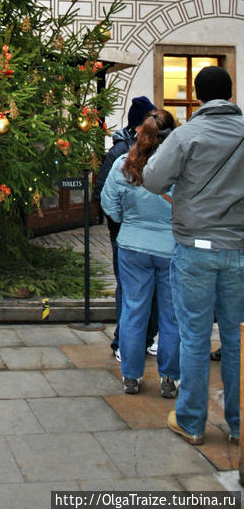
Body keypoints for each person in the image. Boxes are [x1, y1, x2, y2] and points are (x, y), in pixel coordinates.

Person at [143, 66, 244, 446]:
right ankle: (238, 424)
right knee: (235, 340)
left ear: (198, 96)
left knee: (196, 337)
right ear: (230, 94)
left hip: (195, 249)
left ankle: (191, 422)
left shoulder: (187, 135)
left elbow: (153, 179)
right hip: (238, 249)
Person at [101, 109, 179, 396]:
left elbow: (109, 204)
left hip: (132, 244)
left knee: (134, 310)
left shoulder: (124, 164)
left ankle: (131, 376)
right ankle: (169, 377)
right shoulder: (180, 168)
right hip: (171, 246)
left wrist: (128, 222)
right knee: (172, 314)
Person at [93, 96, 158, 361]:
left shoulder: (160, 148)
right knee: (129, 289)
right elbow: (102, 194)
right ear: (138, 125)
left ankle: (146, 339)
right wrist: (120, 223)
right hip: (125, 234)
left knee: (153, 291)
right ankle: (123, 341)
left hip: (153, 234)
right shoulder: (119, 152)